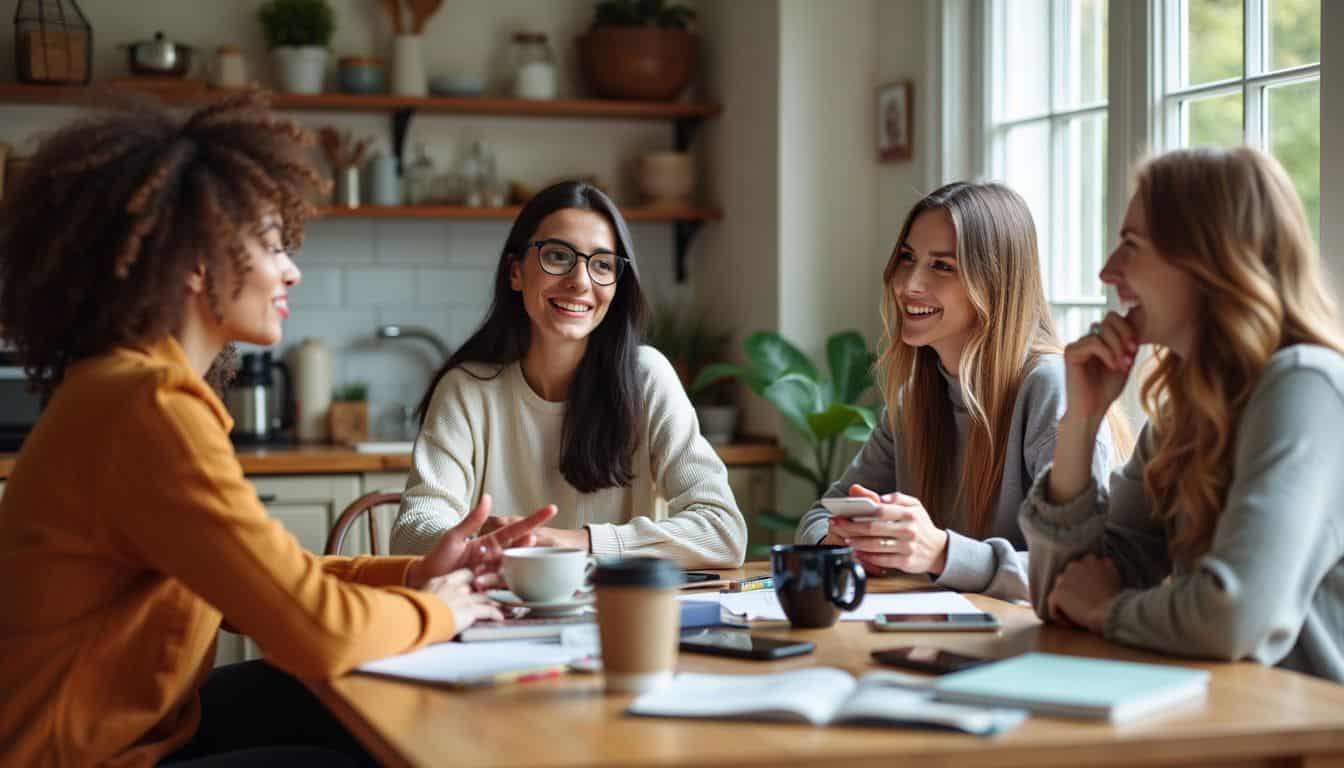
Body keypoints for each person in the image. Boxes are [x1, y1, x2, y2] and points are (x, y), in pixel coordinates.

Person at [0, 91, 553, 767]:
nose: (290, 268)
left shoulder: (131, 388)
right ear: (198, 261)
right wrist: (447, 611)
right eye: (269, 245)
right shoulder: (146, 406)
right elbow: (314, 629)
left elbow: (277, 582)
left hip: (136, 733)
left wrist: (417, 572)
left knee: (357, 702)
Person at [1020, 147, 1344, 682]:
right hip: (1228, 725)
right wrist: (1080, 422)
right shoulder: (1185, 410)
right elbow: (1061, 592)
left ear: (1208, 257)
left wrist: (1106, 610)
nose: (1108, 271)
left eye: (1132, 244)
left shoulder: (1306, 387)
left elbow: (1233, 617)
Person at [795, 182, 1128, 602]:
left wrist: (941, 553)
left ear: (996, 283)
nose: (909, 284)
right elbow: (821, 514)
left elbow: (1084, 572)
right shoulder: (915, 397)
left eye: (943, 267)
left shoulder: (1049, 386)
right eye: (907, 258)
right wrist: (839, 542)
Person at [390, 181, 746, 568]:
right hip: (500, 618)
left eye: (603, 264)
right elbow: (410, 533)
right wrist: (479, 540)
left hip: (620, 617)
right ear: (515, 272)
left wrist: (579, 543)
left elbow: (723, 530)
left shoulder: (648, 378)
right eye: (558, 256)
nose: (580, 281)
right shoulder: (467, 390)